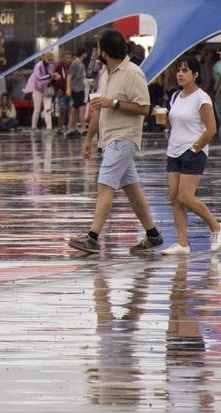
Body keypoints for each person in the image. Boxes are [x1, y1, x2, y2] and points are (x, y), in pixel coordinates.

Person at [69, 28, 164, 255]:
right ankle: (153, 234)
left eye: (98, 48)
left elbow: (144, 108)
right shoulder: (107, 73)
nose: (96, 52)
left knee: (104, 186)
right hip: (109, 138)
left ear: (106, 51)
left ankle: (92, 238)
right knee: (132, 189)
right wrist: (89, 137)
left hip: (124, 138)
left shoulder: (133, 73)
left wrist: (114, 103)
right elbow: (100, 108)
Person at [161, 56, 221, 255]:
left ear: (195, 74)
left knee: (185, 196)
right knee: (174, 197)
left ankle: (216, 226)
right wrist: (162, 117)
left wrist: (195, 148)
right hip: (174, 151)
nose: (180, 74)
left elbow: (211, 129)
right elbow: (173, 124)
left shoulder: (202, 98)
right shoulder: (175, 96)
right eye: (178, 70)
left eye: (185, 70)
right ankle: (182, 243)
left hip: (193, 151)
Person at [26, 51, 55, 131]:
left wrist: (54, 77)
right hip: (37, 89)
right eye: (49, 59)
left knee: (48, 109)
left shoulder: (51, 66)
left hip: (47, 89)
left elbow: (52, 77)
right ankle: (33, 126)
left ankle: (49, 127)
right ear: (44, 57)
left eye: (51, 59)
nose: (50, 60)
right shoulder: (38, 66)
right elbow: (38, 77)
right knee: (37, 110)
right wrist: (50, 75)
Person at [65, 48, 89, 137]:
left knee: (76, 108)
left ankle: (72, 127)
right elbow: (69, 76)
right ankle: (81, 127)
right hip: (76, 88)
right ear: (83, 53)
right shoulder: (75, 63)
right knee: (79, 108)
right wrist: (68, 88)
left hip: (81, 88)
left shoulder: (81, 64)